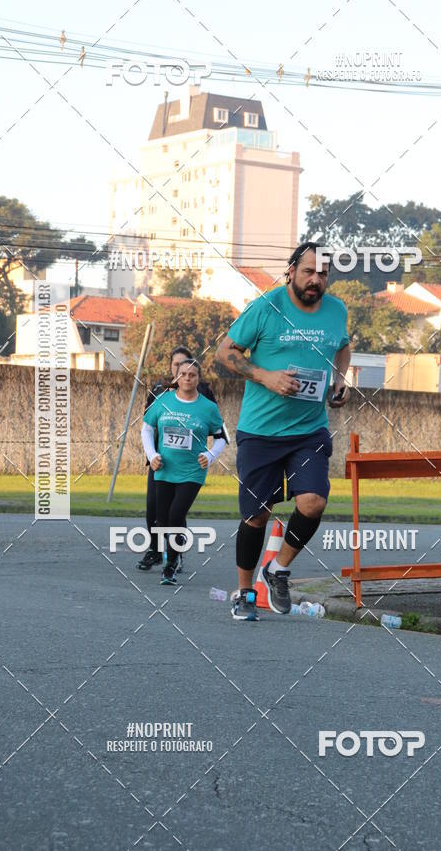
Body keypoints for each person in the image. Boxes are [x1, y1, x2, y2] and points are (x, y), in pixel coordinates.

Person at [216, 242, 350, 621]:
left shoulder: (336, 310)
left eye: (322, 274)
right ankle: (244, 593)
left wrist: (340, 380)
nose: (315, 280)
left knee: (314, 502)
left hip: (309, 429)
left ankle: (278, 568)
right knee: (257, 515)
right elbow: (225, 353)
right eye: (308, 271)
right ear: (291, 270)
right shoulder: (267, 307)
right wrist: (266, 376)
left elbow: (342, 347)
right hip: (261, 431)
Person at [141, 358, 227, 585]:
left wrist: (210, 456)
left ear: (198, 379)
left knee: (176, 514)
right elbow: (147, 429)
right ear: (176, 377)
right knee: (161, 519)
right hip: (164, 468)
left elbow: (221, 438)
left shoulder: (208, 408)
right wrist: (152, 456)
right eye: (183, 374)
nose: (187, 378)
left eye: (192, 375)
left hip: (192, 470)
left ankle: (170, 565)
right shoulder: (163, 401)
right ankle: (171, 555)